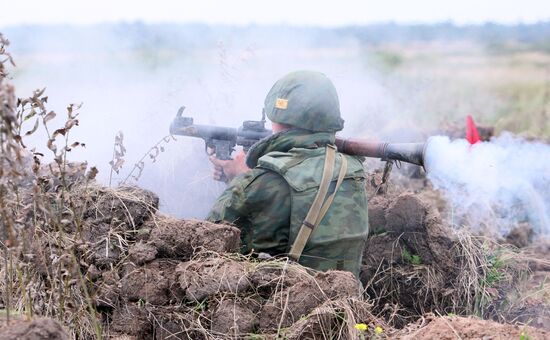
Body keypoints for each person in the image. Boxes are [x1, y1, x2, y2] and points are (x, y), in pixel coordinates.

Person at [206, 70, 369, 278]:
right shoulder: (353, 168)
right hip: (346, 301)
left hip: (284, 305)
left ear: (278, 118)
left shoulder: (263, 182)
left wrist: (242, 179)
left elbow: (209, 244)